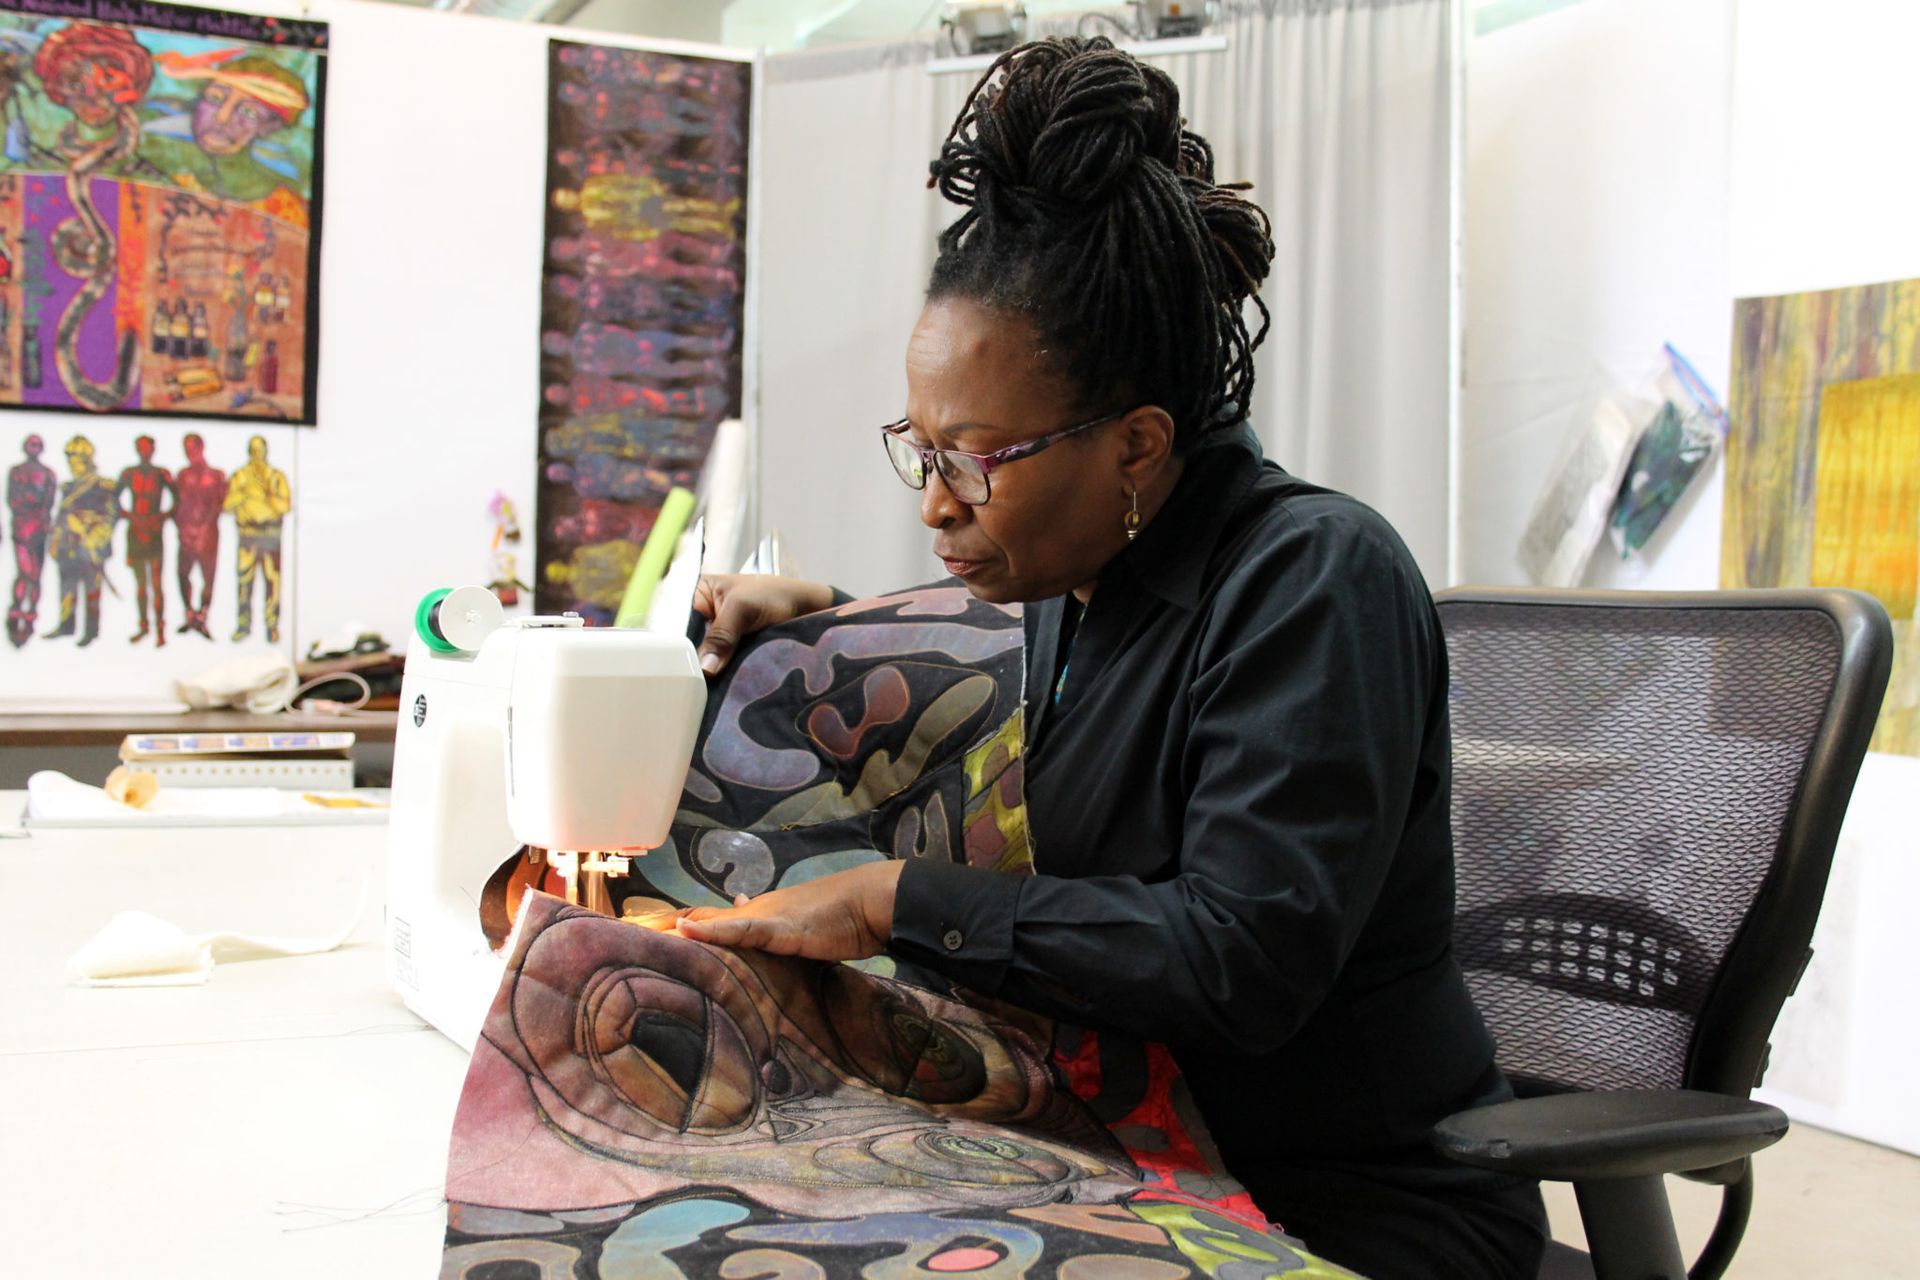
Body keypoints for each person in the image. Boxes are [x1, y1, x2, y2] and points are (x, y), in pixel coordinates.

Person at [668, 38, 1546, 1280]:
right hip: (1138, 1151)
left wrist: (889, 900)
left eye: (973, 459)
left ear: (1135, 445)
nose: (937, 503)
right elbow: (1025, 682)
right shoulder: (1081, 583)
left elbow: (1236, 957)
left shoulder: (1316, 580)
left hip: (1347, 1202)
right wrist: (819, 622)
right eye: (920, 450)